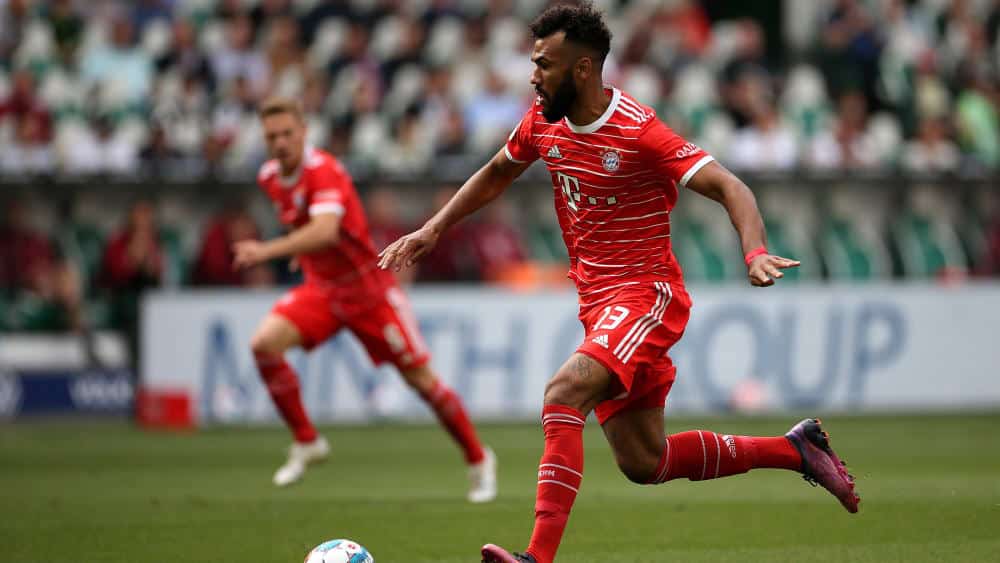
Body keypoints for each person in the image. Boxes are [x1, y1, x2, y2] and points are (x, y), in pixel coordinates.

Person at [378, 5, 860, 563]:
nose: (533, 76)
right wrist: (433, 228)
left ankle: (536, 558)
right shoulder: (542, 121)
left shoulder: (637, 130)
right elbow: (498, 171)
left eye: (544, 64)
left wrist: (753, 251)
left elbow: (731, 186)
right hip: (598, 305)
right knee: (644, 462)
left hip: (646, 296)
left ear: (582, 68)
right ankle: (796, 450)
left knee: (563, 393)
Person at [233, 97, 496, 499]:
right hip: (322, 290)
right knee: (264, 344)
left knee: (423, 382)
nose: (281, 143)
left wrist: (268, 251)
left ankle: (479, 460)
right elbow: (304, 226)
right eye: (272, 137)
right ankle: (307, 440)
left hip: (369, 292)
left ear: (304, 132)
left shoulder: (323, 171)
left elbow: (325, 230)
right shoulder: (269, 176)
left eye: (287, 134)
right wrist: (301, 252)